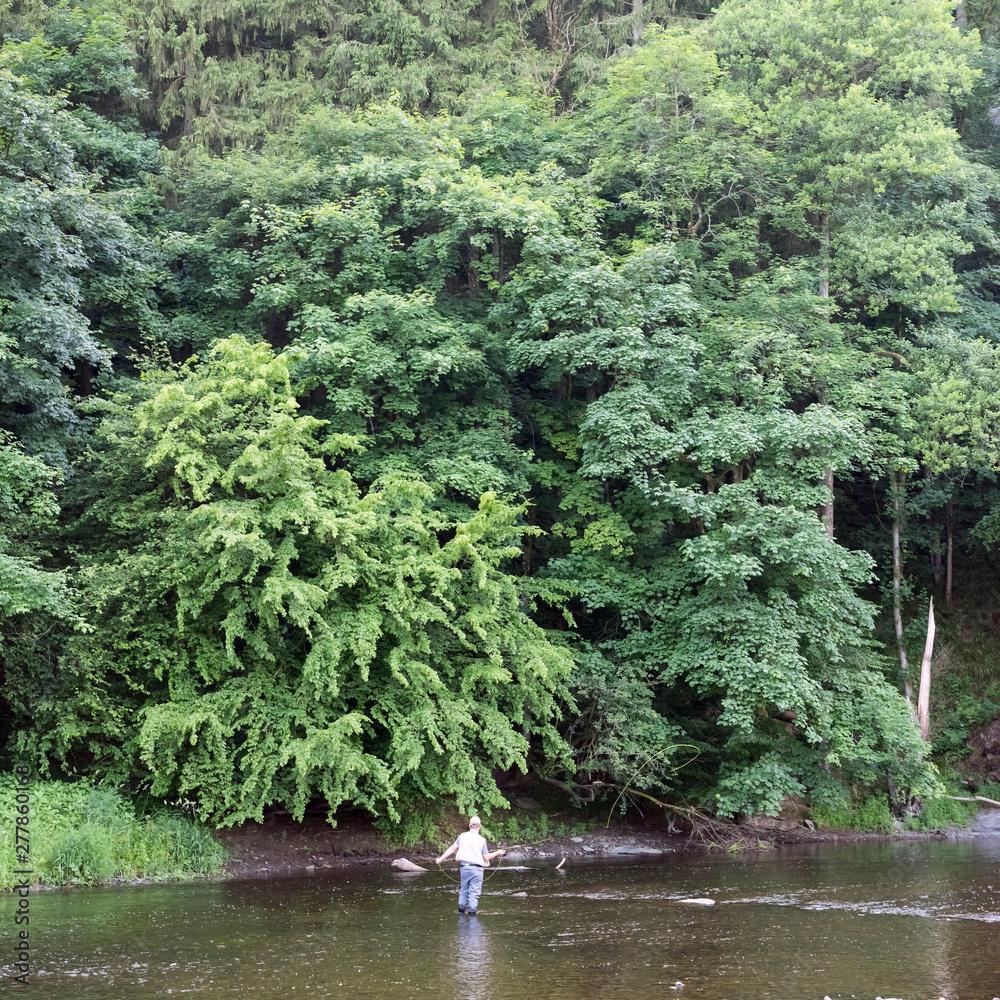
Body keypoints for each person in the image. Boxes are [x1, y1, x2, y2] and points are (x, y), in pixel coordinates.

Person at [435, 816, 505, 915]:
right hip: (477, 870)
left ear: (469, 826)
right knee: (474, 894)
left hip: (464, 868)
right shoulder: (481, 840)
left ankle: (460, 912)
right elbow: (486, 857)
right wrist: (497, 853)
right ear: (480, 826)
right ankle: (472, 915)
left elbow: (452, 849)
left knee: (464, 891)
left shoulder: (462, 836)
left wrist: (440, 859)